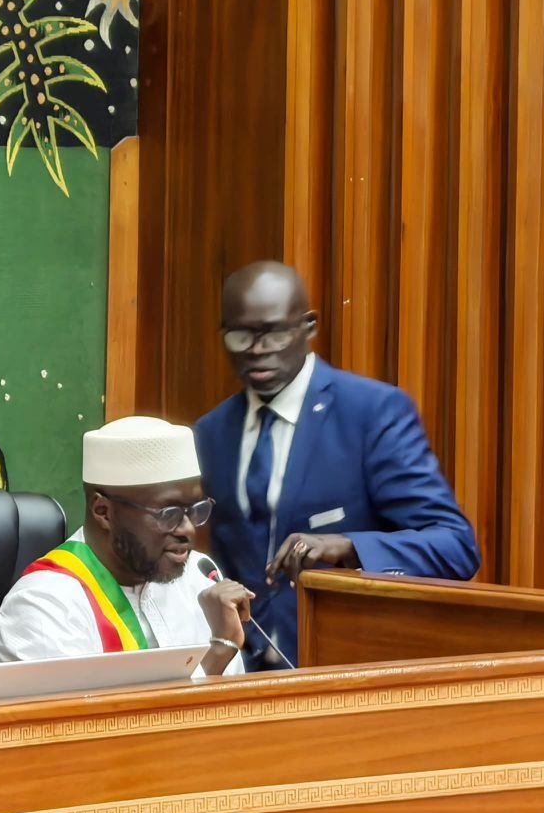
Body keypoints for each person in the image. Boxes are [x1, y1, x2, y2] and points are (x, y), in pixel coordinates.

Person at [194, 261, 480, 670]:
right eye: (241, 336)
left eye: (273, 333)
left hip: (347, 675)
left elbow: (456, 547)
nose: (257, 351)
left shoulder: (370, 414)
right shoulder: (211, 432)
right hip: (244, 683)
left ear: (308, 327)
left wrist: (349, 547)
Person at [0, 416, 254, 676]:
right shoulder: (43, 605)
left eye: (195, 509)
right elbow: (88, 720)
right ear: (103, 511)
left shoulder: (197, 574)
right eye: (168, 513)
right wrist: (218, 652)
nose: (187, 529)